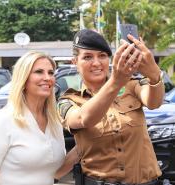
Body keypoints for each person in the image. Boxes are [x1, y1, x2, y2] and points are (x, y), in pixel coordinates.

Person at [58, 29, 165, 185]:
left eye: (102, 56)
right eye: (87, 57)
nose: (96, 63)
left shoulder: (130, 85)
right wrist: (115, 81)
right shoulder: (69, 100)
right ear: (74, 62)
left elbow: (154, 103)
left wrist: (154, 74)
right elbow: (83, 119)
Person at [0, 51, 77, 185]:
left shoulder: (54, 121)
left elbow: (56, 171)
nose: (47, 78)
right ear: (23, 78)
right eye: (39, 72)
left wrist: (85, 144)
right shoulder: (4, 120)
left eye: (51, 72)